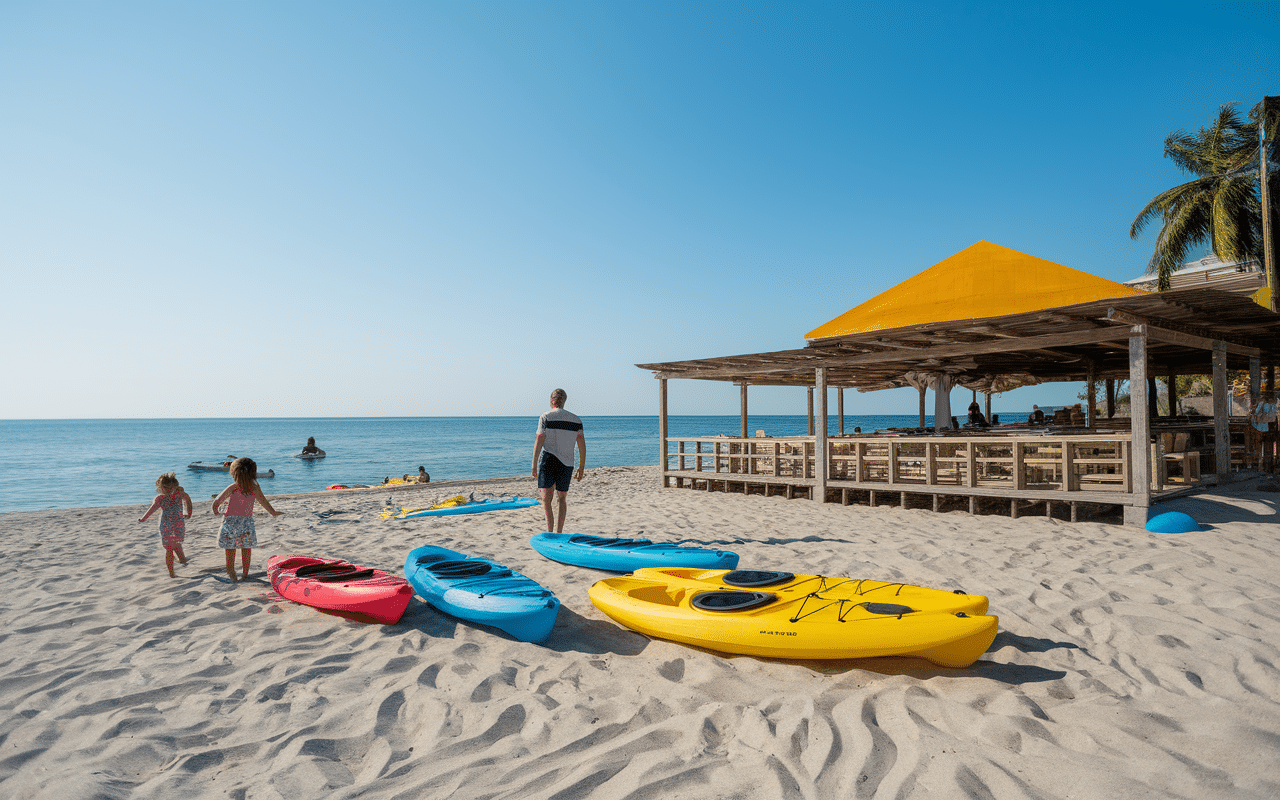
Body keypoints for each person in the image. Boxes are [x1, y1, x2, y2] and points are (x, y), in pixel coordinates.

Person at [212, 457, 282, 583]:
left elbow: (217, 501)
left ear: (234, 474)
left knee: (230, 549)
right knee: (246, 548)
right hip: (246, 522)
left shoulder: (233, 487)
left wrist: (216, 511)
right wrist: (273, 512)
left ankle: (231, 572)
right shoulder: (254, 487)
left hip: (230, 522)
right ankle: (245, 573)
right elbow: (263, 501)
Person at [532, 388, 586, 533]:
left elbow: (539, 439)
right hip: (567, 462)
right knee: (562, 498)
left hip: (549, 459)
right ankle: (559, 532)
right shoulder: (576, 420)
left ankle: (550, 532)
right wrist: (581, 467)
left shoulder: (546, 416)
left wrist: (534, 464)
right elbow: (581, 444)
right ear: (564, 401)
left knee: (546, 499)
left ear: (551, 400)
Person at [139, 472, 192, 578]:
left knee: (175, 545)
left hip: (176, 525)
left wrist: (189, 513)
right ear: (160, 487)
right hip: (168, 526)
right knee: (170, 548)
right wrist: (144, 518)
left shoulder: (179, 494)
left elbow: (188, 501)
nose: (167, 490)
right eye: (165, 488)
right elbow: (152, 509)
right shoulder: (161, 498)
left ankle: (182, 561)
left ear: (174, 486)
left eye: (169, 488)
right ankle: (172, 573)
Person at [1249, 392, 1278, 471]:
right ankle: (1270, 463)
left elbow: (1256, 413)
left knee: (1260, 445)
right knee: (1270, 446)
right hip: (1271, 428)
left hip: (1262, 427)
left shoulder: (1262, 403)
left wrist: (1253, 413)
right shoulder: (1274, 404)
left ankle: (1261, 464)